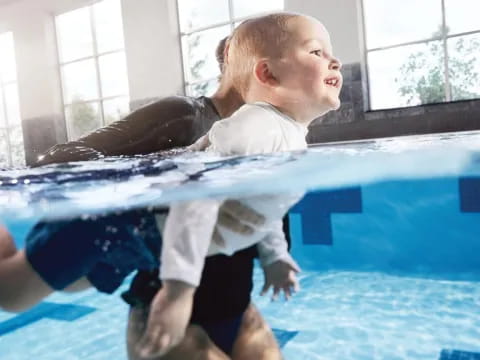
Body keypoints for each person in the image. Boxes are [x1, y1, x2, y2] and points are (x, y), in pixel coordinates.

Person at [0, 18, 298, 360]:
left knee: (66, 284)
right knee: (11, 290)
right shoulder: (183, 117)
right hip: (161, 299)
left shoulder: (277, 136)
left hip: (232, 305)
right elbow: (63, 158)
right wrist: (167, 167)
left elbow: (267, 235)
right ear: (233, 57)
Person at [137, 12, 342, 358]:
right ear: (268, 74)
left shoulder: (286, 134)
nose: (335, 60)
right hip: (164, 284)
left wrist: (275, 255)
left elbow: (264, 203)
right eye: (316, 52)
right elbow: (198, 187)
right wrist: (178, 289)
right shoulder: (257, 126)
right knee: (33, 280)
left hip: (229, 303)